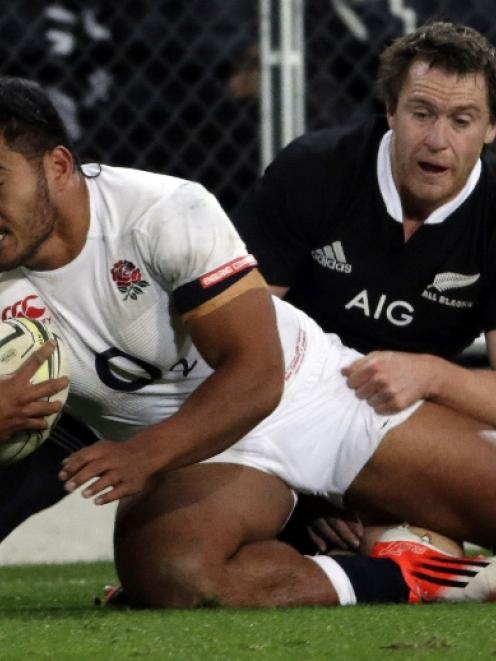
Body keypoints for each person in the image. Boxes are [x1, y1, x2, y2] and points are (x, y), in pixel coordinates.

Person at [0, 74, 496, 609]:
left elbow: (257, 374)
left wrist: (140, 456)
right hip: (198, 456)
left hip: (312, 397)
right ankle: (409, 575)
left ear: (56, 166)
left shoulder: (159, 213)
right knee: (175, 574)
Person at [234, 20, 496, 553]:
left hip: (403, 426)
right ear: (391, 111)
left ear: (491, 129)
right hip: (280, 413)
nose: (437, 140)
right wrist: (308, 495)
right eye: (421, 113)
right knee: (181, 549)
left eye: (462, 120)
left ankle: (399, 542)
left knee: (413, 538)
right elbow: (239, 348)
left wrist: (433, 375)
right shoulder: (315, 170)